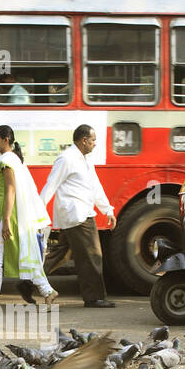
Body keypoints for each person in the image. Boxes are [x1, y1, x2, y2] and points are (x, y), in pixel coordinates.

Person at [39, 124, 115, 308]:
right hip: (76, 214)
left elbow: (95, 187)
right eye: (93, 140)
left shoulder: (85, 159)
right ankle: (94, 298)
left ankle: (29, 280)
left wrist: (108, 210)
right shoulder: (66, 158)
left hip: (79, 213)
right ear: (83, 140)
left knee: (62, 254)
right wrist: (38, 212)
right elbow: (51, 185)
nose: (95, 144)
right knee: (92, 255)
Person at [0, 124, 56, 312]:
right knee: (26, 255)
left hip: (7, 215)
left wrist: (6, 219)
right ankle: (47, 291)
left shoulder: (8, 160)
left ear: (5, 140)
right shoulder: (12, 159)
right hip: (7, 215)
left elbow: (10, 189)